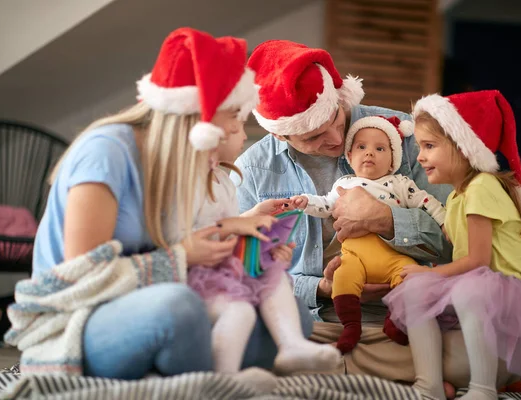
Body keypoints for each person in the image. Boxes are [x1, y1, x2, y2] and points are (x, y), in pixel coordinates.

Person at [25, 28, 313, 380]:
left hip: (160, 301)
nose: (239, 128)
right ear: (200, 117)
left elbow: (192, 241)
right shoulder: (105, 152)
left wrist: (244, 231)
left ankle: (190, 372)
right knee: (180, 310)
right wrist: (181, 256)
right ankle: (214, 378)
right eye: (234, 116)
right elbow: (82, 279)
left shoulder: (182, 162)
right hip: (78, 317)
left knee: (294, 315)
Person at [233, 39, 519, 392]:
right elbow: (248, 275)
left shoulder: (411, 136)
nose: (337, 138)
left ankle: (340, 379)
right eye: (314, 136)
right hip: (314, 324)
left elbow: (461, 244)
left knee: (488, 356)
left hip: (407, 322)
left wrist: (387, 219)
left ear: (340, 97)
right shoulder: (253, 169)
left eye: (336, 118)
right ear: (279, 133)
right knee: (250, 345)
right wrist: (322, 288)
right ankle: (395, 381)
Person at [384, 90, 521, 400]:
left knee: (463, 289)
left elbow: (477, 260)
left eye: (430, 146)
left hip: (510, 290)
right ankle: (429, 385)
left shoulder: (482, 187)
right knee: (415, 294)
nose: (420, 156)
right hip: (479, 284)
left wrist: (431, 274)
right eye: (420, 146)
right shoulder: (456, 196)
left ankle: (483, 388)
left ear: (464, 148)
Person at [182, 112, 341, 375]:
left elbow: (229, 231)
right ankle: (225, 380)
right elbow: (192, 237)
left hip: (225, 267)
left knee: (273, 275)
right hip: (202, 275)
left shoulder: (223, 180)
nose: (245, 136)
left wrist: (254, 223)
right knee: (241, 312)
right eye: (238, 129)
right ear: (211, 137)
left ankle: (292, 345)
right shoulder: (186, 185)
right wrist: (237, 225)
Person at [286, 115, 445, 353]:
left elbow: (428, 202)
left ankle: (396, 322)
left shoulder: (399, 183)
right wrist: (305, 202)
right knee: (342, 275)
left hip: (395, 258)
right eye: (361, 147)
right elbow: (325, 205)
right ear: (350, 156)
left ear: (393, 161)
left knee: (410, 278)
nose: (369, 153)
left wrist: (445, 222)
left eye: (380, 148)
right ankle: (351, 327)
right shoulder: (345, 184)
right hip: (355, 258)